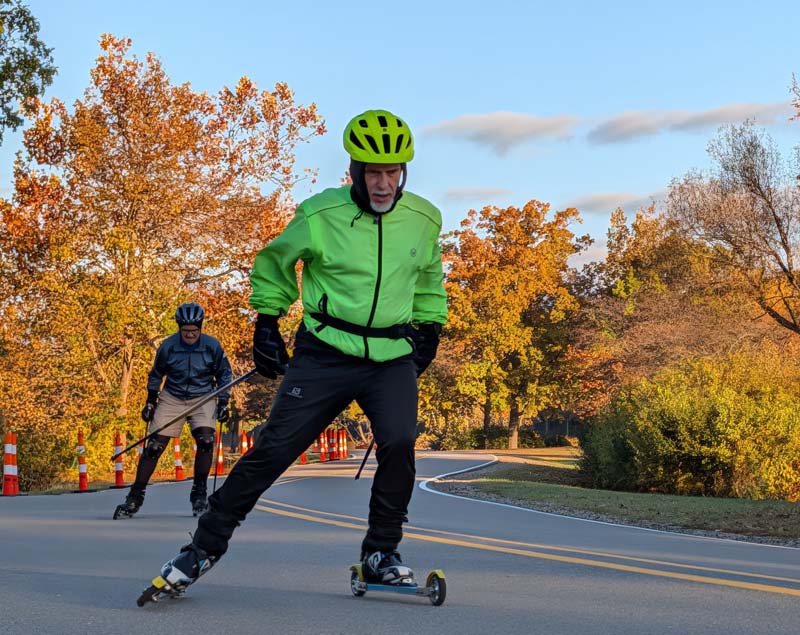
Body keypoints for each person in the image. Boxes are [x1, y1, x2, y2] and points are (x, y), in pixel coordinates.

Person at [154, 108, 447, 595]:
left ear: (404, 172)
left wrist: (430, 326)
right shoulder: (319, 214)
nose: (383, 184)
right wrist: (267, 321)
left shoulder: (423, 219)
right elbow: (275, 262)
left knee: (399, 444)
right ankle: (203, 547)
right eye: (373, 172)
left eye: (393, 172)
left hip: (391, 354)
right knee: (276, 448)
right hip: (325, 352)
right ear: (354, 170)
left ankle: (381, 553)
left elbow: (429, 278)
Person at [114, 302, 233, 519]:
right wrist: (150, 401)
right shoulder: (168, 346)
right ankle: (134, 497)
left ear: (200, 327)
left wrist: (223, 403)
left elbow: (225, 375)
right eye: (186, 331)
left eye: (194, 331)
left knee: (206, 440)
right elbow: (156, 374)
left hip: (203, 395)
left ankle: (199, 494)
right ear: (179, 328)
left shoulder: (212, 346)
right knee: (154, 446)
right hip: (173, 396)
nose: (190, 335)